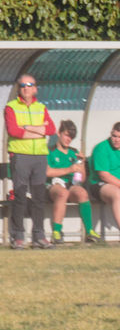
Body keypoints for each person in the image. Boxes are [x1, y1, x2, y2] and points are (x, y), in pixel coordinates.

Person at [5, 74, 56, 249]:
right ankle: (18, 236)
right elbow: (14, 131)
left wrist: (28, 128)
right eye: (22, 85)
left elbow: (51, 129)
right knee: (20, 196)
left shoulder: (41, 107)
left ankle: (39, 236)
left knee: (38, 198)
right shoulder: (11, 107)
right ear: (19, 89)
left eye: (29, 85)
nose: (26, 88)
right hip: (20, 156)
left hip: (40, 157)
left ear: (35, 88)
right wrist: (39, 131)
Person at [45, 120, 100, 243]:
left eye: (71, 137)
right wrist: (69, 169)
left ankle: (89, 231)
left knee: (82, 193)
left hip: (71, 184)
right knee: (62, 193)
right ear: (59, 134)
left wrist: (81, 164)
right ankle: (56, 232)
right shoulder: (50, 151)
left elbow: (81, 178)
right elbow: (47, 172)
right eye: (66, 135)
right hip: (54, 184)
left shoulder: (74, 152)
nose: (68, 139)